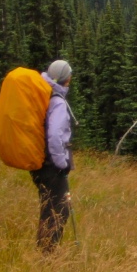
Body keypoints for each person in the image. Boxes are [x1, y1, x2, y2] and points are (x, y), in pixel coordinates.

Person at [32, 59, 76, 252]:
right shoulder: (57, 101)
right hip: (51, 165)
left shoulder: (44, 94)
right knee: (59, 209)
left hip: (39, 162)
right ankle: (47, 256)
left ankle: (45, 251)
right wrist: (61, 162)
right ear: (66, 79)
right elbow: (55, 135)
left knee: (48, 206)